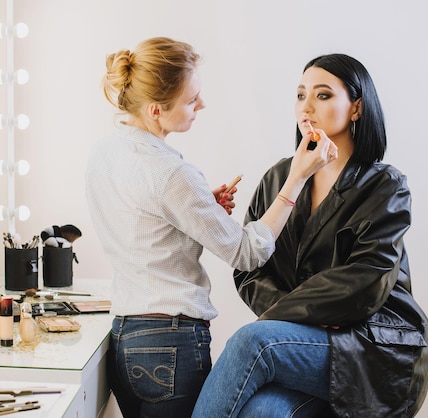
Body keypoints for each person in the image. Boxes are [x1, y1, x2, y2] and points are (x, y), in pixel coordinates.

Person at [84, 37, 336, 418]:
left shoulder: (103, 154)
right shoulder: (172, 173)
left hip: (124, 337)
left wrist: (198, 209)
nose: (201, 105)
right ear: (155, 109)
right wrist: (296, 180)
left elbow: (142, 225)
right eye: (190, 100)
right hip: (171, 343)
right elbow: (249, 253)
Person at [191, 53, 428, 418]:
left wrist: (289, 317)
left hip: (371, 345)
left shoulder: (386, 185)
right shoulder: (280, 177)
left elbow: (367, 278)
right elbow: (251, 269)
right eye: (300, 95)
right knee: (263, 411)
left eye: (323, 95)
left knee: (252, 342)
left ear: (356, 108)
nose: (306, 107)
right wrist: (304, 316)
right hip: (306, 340)